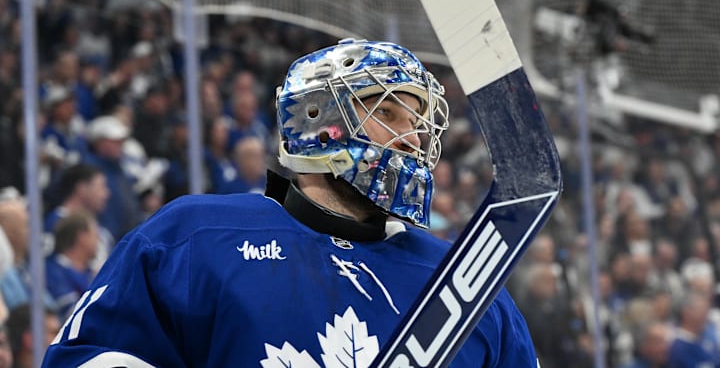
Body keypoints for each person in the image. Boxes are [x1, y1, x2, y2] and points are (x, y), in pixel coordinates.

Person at [42, 39, 538, 367]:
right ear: (315, 118)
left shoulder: (467, 282)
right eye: (387, 111)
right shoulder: (195, 238)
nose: (409, 137)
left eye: (416, 120)